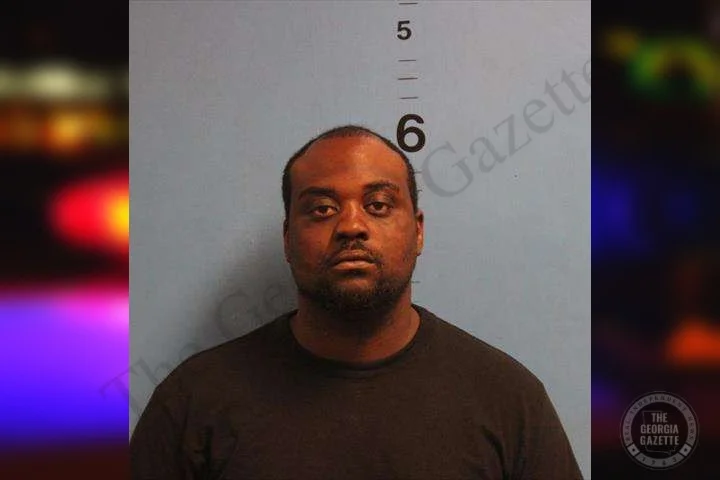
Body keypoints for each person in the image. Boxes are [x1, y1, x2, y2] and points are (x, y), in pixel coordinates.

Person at [130, 125, 583, 479]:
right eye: (322, 209)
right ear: (288, 239)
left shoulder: (508, 399)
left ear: (418, 230)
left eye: (379, 205)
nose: (351, 226)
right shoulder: (194, 402)